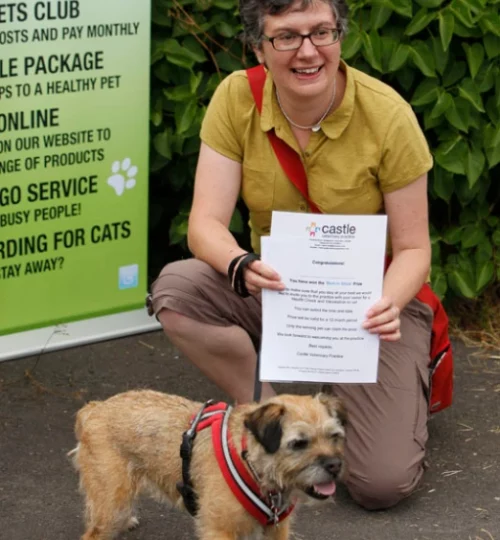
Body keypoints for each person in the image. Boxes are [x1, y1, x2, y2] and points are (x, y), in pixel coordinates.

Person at [148, 0, 442, 511]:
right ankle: (259, 412)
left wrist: (389, 304)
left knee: (381, 484)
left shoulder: (389, 113)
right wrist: (240, 265)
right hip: (277, 289)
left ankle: (359, 387)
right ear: (259, 47)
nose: (308, 51)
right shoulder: (235, 98)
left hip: (369, 307)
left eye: (322, 32)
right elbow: (205, 225)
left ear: (340, 37)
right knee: (175, 288)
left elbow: (416, 249)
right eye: (286, 37)